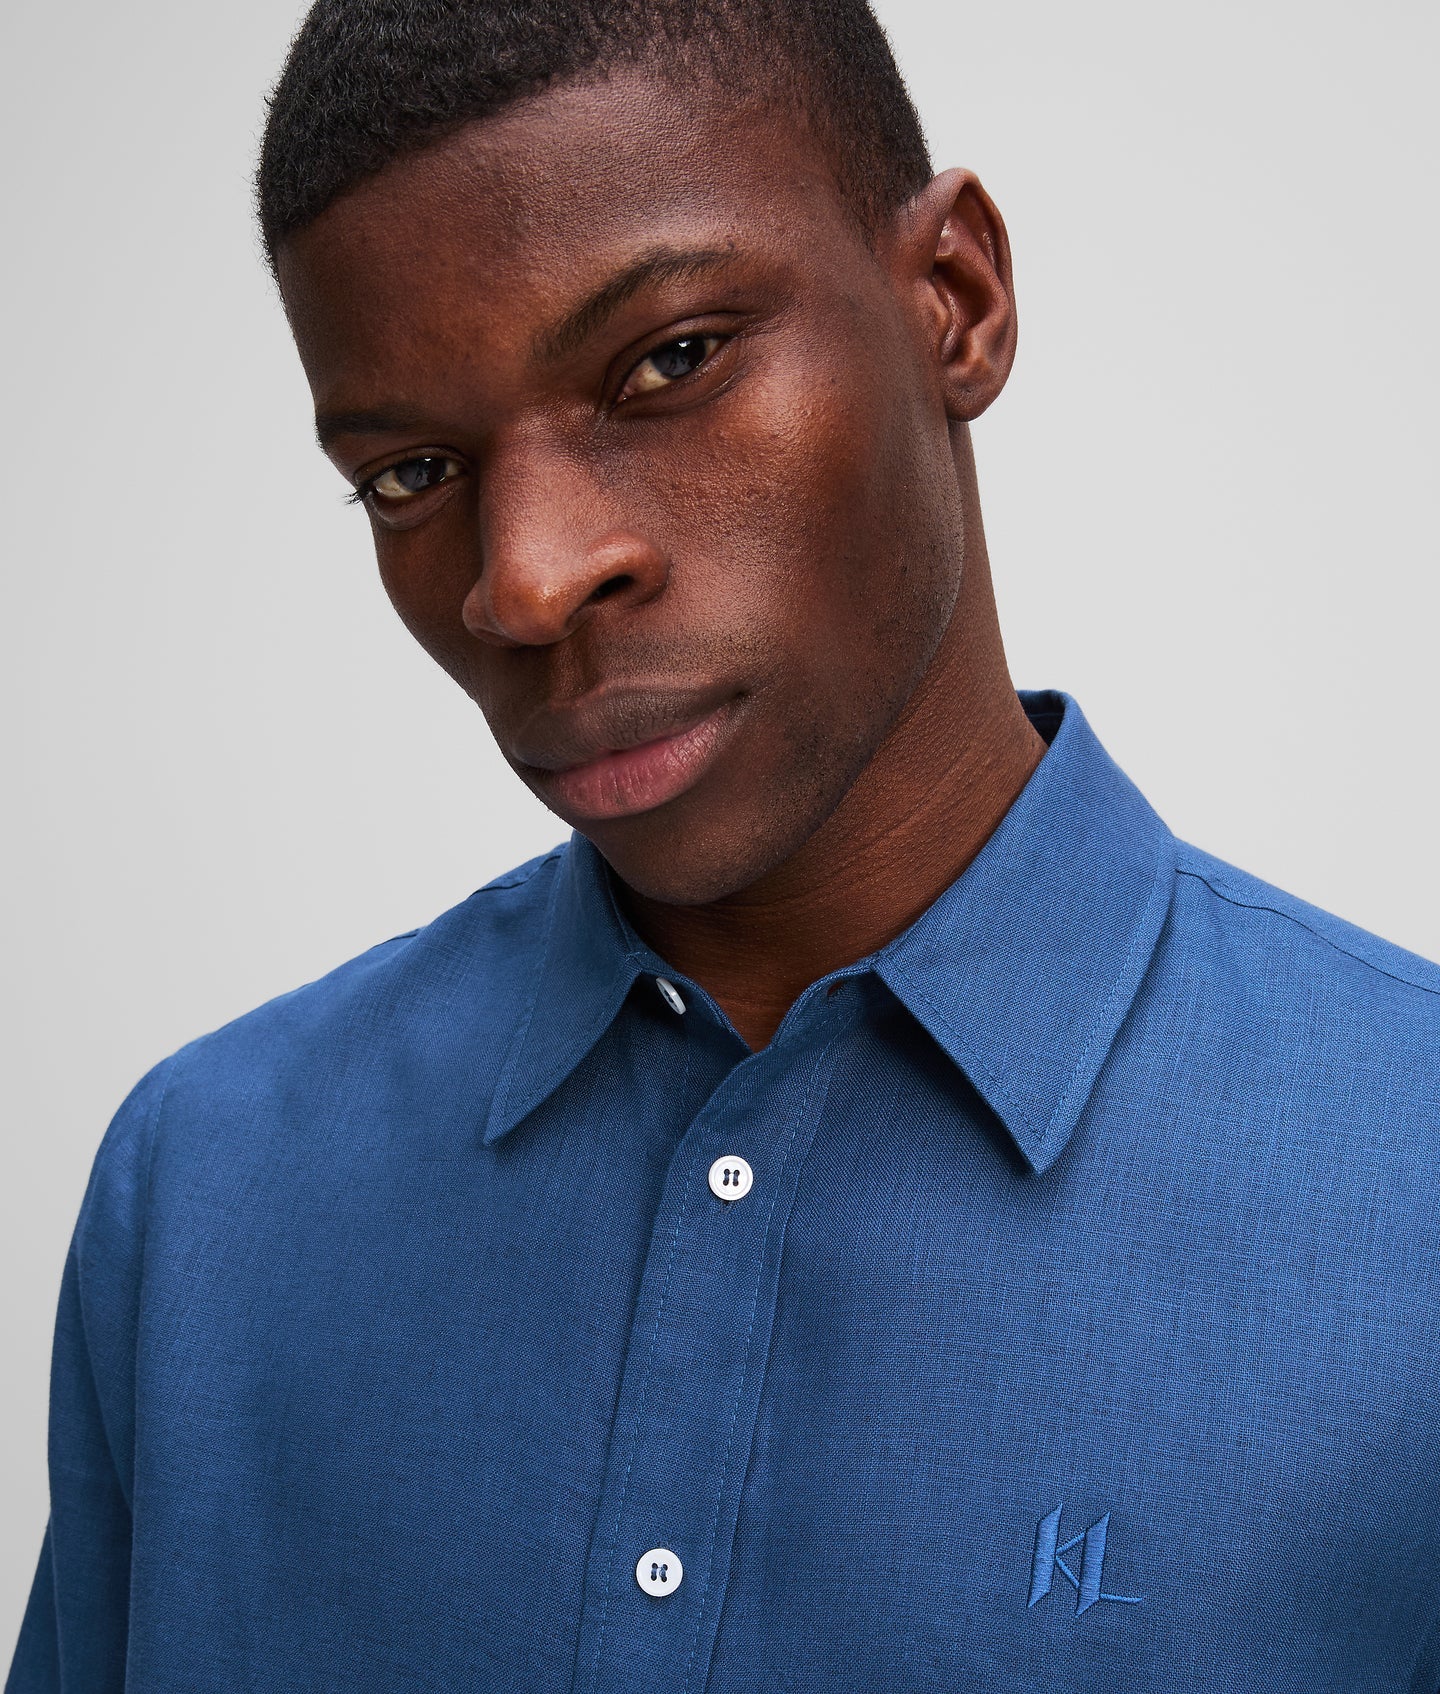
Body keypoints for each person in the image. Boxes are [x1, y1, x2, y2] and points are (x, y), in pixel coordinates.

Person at [8, 0, 1440, 1685]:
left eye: (669, 361)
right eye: (412, 472)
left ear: (956, 301)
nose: (525, 579)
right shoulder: (202, 1196)